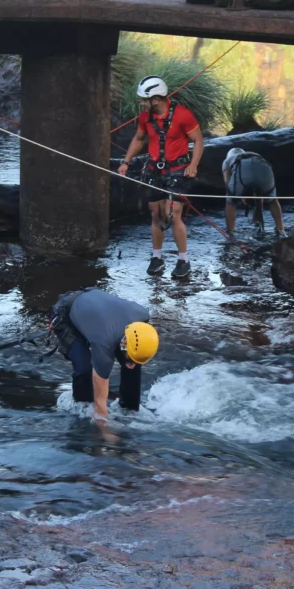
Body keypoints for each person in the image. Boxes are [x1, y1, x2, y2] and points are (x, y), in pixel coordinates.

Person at [117, 76, 204, 278]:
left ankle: (183, 260)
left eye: (144, 100)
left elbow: (198, 141)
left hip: (177, 170)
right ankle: (157, 257)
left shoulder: (183, 115)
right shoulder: (145, 117)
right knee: (156, 214)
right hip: (154, 169)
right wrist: (126, 161)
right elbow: (139, 139)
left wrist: (193, 165)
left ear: (156, 99)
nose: (141, 103)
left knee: (174, 214)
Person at [49, 288, 159, 420]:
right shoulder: (104, 342)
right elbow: (100, 404)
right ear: (124, 343)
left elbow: (135, 350)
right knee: (84, 368)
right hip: (65, 314)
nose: (132, 364)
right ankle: (82, 411)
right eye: (132, 359)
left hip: (96, 312)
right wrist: (106, 433)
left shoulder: (142, 316)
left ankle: (130, 409)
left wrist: (133, 359)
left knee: (133, 368)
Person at [222, 147, 285, 236]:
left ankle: (230, 232)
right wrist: (258, 207)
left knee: (230, 202)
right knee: (272, 200)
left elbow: (227, 183)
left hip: (242, 167)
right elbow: (258, 189)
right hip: (265, 167)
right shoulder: (254, 154)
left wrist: (237, 196)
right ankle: (281, 228)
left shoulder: (227, 161)